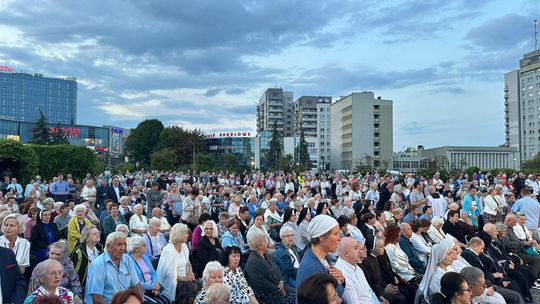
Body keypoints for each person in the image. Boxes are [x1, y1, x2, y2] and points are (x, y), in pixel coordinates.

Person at [85, 231, 142, 304]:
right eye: (119, 244)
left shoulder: (128, 259)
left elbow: (138, 286)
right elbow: (97, 299)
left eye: (124, 244)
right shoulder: (98, 265)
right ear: (108, 247)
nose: (122, 248)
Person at [296, 214, 345, 297]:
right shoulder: (311, 268)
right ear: (321, 237)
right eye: (336, 234)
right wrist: (339, 283)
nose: (339, 238)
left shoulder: (323, 257)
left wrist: (342, 280)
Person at [244, 230, 295, 303]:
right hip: (268, 294)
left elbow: (277, 269)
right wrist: (278, 288)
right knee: (294, 298)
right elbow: (261, 283)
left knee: (298, 294)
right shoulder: (253, 262)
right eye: (265, 241)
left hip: (278, 286)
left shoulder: (266, 255)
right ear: (259, 245)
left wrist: (281, 281)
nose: (267, 243)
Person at [156, 223, 197, 304]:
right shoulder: (168, 250)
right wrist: (184, 278)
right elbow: (167, 274)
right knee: (192, 288)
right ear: (179, 234)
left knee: (202, 284)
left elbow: (188, 263)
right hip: (173, 282)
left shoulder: (184, 246)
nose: (187, 235)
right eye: (185, 233)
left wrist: (191, 273)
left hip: (185, 278)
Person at [361, 235, 406, 304]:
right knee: (400, 298)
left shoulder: (375, 257)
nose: (383, 248)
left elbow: (380, 278)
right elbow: (371, 283)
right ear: (373, 249)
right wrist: (384, 290)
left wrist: (387, 285)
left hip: (381, 288)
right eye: (381, 247)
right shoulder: (367, 263)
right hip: (377, 293)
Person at [335, 237, 381, 304]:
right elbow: (353, 302)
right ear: (346, 253)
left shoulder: (357, 267)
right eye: (355, 248)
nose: (359, 251)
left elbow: (370, 292)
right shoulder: (341, 272)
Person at [127, 236, 170, 304]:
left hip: (152, 286)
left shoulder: (144, 256)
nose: (146, 246)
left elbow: (153, 272)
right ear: (136, 248)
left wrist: (155, 284)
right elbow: (134, 282)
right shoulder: (129, 260)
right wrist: (152, 286)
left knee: (167, 300)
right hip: (140, 291)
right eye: (143, 245)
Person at [417, 237, 459, 303]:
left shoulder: (449, 268)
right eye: (448, 254)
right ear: (440, 257)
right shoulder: (437, 278)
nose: (454, 257)